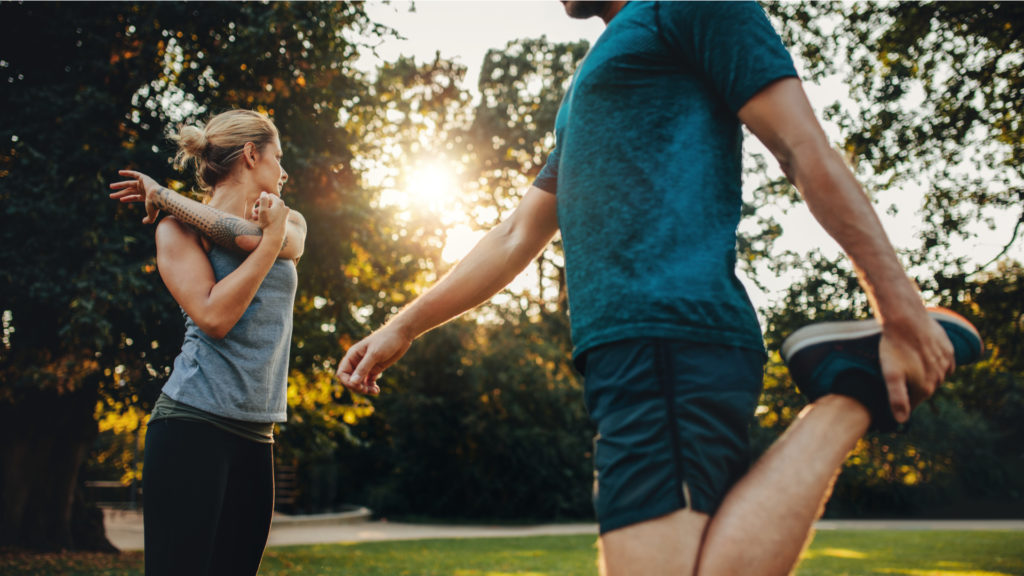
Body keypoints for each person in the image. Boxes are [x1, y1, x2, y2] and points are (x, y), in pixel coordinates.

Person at [336, 3, 983, 575]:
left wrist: (898, 309)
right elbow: (516, 234)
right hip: (633, 351)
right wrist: (404, 325)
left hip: (667, 337)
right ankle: (852, 387)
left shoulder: (691, 4)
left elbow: (799, 144)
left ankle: (850, 395)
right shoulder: (599, 76)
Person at [109, 109, 306, 576]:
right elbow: (215, 317)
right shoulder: (174, 229)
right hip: (193, 424)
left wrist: (165, 195)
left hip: (258, 434)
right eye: (278, 157)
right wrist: (269, 240)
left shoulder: (289, 220)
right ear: (252, 154)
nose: (285, 171)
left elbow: (282, 242)